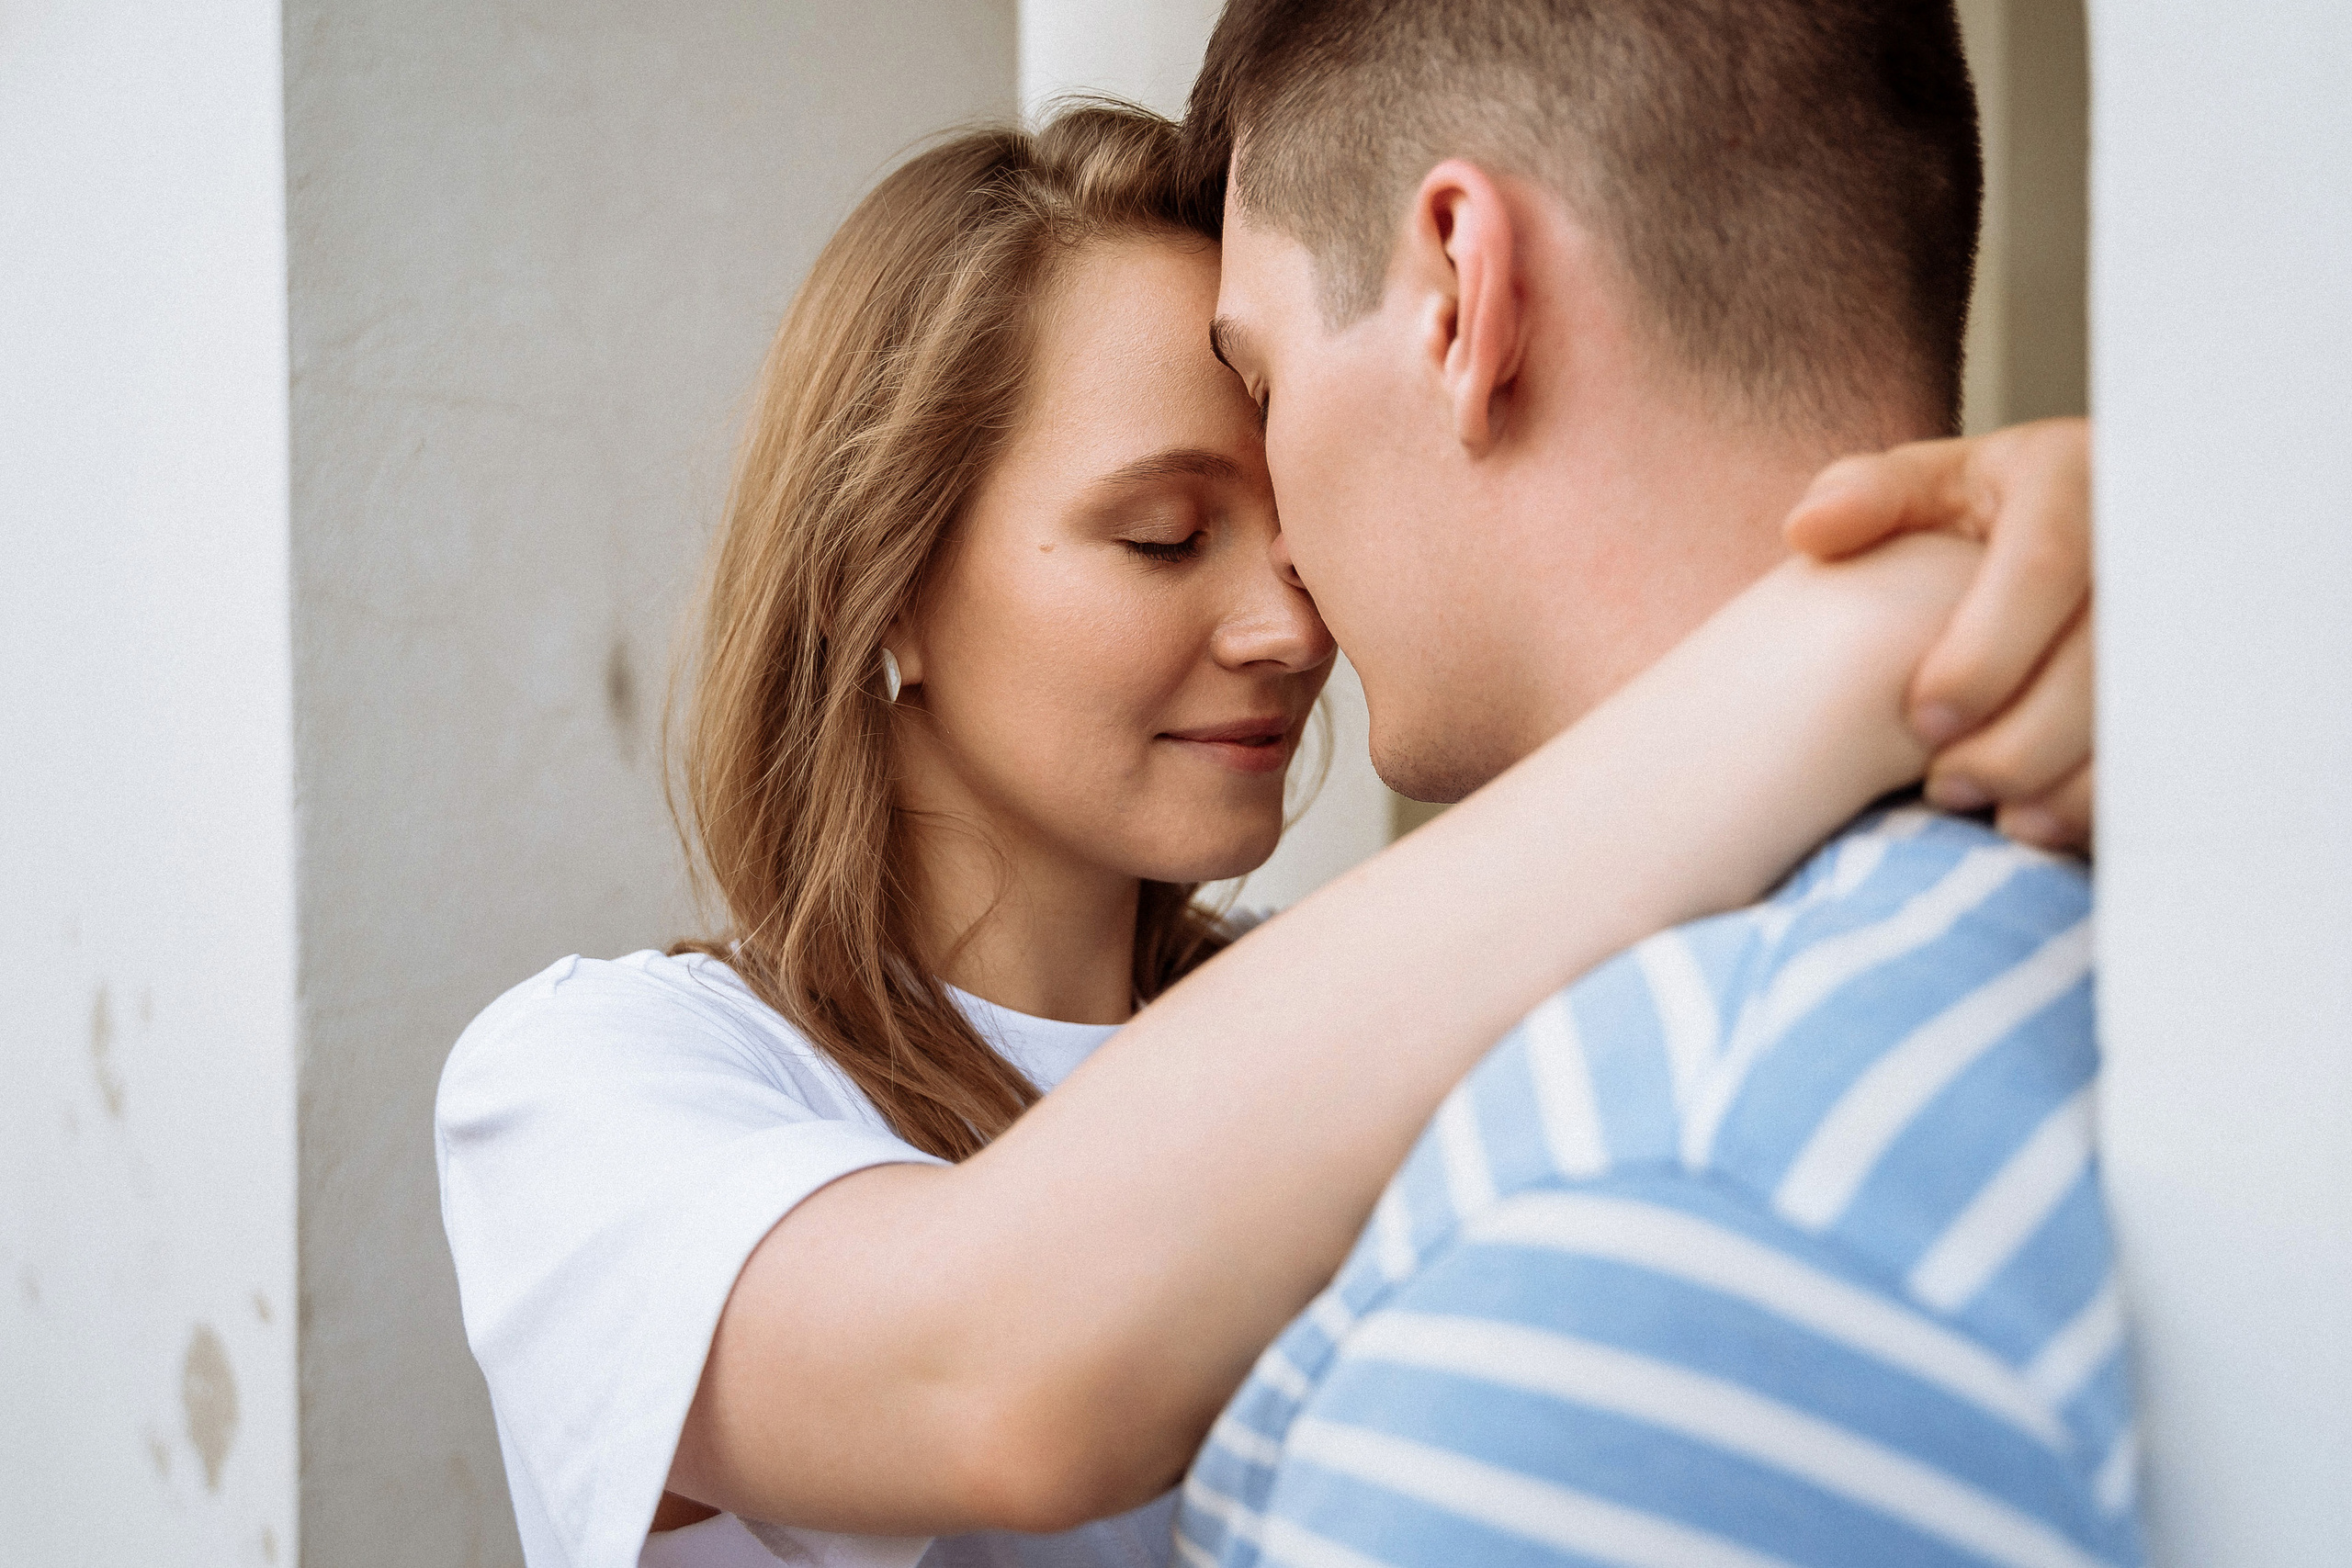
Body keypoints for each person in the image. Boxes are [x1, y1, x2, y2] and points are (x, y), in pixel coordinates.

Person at [433, 107, 2097, 1568]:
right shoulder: (598, 1085)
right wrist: (1881, 629)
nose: (1285, 632)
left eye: (1300, 538)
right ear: (888, 585)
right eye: (1163, 537)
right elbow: (989, 1374)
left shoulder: (1388, 1012)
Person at [1166, 2, 2132, 1564]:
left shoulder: (1641, 1213)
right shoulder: (2160, 913)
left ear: (1460, 293)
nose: (1275, 542)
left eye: (1261, 386)